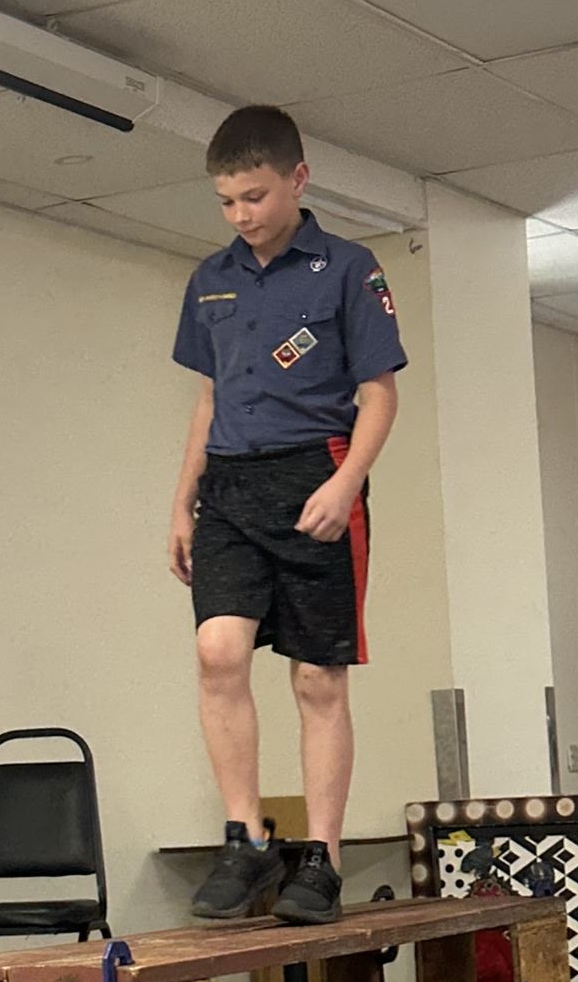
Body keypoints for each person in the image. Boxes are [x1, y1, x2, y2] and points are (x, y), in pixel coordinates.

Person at [167, 105, 406, 926]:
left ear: (298, 179)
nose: (242, 214)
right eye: (227, 201)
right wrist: (182, 500)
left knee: (316, 678)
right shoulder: (211, 279)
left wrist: (347, 485)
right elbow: (208, 399)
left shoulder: (348, 269)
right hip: (230, 486)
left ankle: (323, 860)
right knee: (217, 651)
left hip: (317, 475)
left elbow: (380, 394)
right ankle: (247, 837)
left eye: (255, 196)